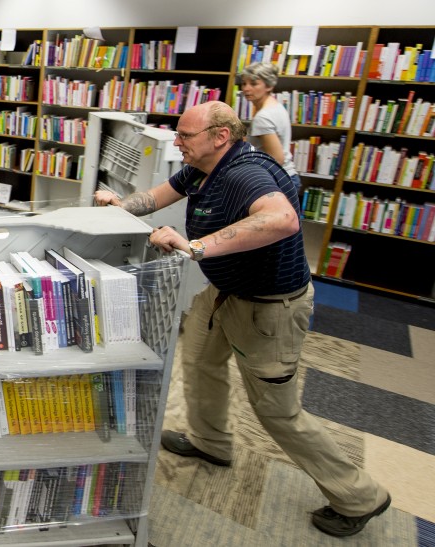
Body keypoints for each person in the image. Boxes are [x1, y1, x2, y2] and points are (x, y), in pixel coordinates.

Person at [94, 101, 389, 538]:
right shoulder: (202, 166)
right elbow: (158, 196)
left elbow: (282, 219)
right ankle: (211, 442)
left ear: (220, 136)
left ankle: (360, 495)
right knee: (197, 361)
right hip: (224, 294)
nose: (177, 142)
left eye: (185, 136)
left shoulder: (244, 173)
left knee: (277, 412)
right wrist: (121, 205)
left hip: (269, 307)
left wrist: (195, 247)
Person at [241, 62, 301, 190]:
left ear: (268, 86)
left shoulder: (262, 117)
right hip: (288, 177)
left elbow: (277, 159)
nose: (246, 88)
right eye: (244, 83)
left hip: (278, 181)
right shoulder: (276, 106)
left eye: (253, 84)